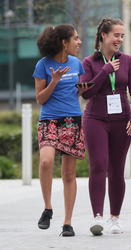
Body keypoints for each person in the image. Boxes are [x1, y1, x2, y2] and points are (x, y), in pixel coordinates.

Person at [80, 18, 131, 236]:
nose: (120, 40)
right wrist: (104, 71)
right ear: (104, 35)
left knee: (117, 170)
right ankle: (97, 217)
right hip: (95, 119)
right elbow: (86, 93)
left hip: (121, 120)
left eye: (122, 36)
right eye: (116, 35)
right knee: (98, 165)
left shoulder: (127, 60)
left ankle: (115, 218)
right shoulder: (89, 62)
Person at [33, 24, 92, 236]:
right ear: (64, 43)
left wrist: (82, 91)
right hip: (49, 120)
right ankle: (48, 208)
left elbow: (74, 94)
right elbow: (40, 99)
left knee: (68, 174)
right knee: (46, 161)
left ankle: (67, 223)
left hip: (72, 121)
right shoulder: (43, 65)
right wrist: (54, 81)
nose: (79, 42)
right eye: (76, 38)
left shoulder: (77, 64)